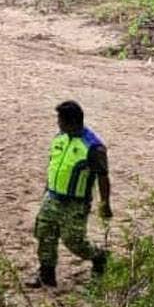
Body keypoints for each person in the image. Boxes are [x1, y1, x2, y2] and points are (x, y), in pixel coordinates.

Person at [27, 101, 111, 288]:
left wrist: (105, 204)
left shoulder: (93, 147)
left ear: (72, 122)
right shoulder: (59, 138)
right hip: (52, 197)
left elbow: (103, 176)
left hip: (75, 203)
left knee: (74, 241)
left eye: (60, 120)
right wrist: (47, 190)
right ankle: (46, 275)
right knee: (44, 234)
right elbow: (54, 165)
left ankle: (100, 257)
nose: (58, 123)